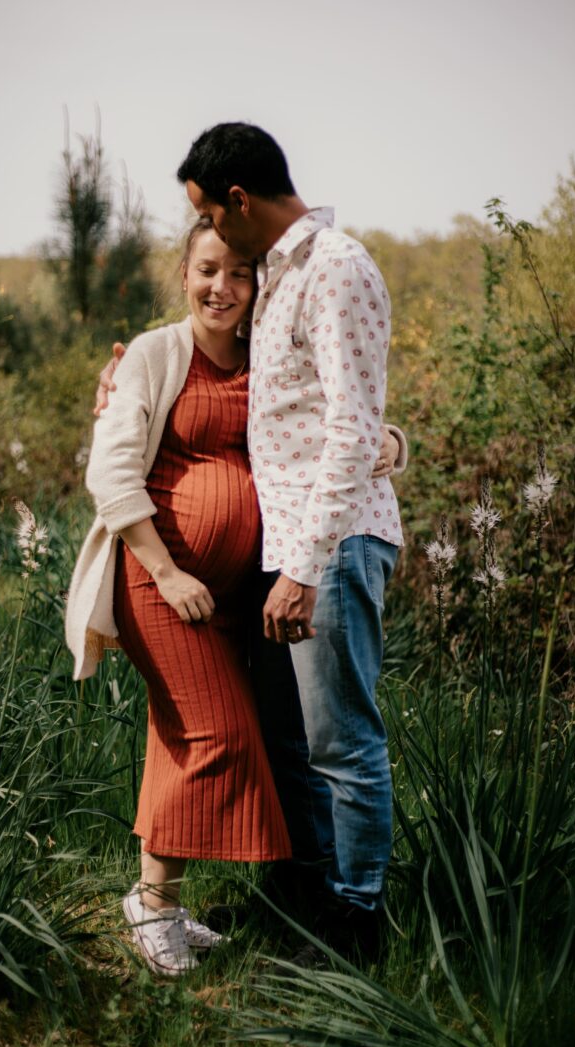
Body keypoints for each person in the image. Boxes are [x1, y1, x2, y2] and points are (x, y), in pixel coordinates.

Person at [99, 123, 406, 965]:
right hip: (286, 559)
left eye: (212, 218)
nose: (215, 244)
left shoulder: (335, 267)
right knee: (291, 744)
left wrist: (304, 568)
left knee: (342, 744)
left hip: (331, 547)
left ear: (238, 201)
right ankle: (304, 897)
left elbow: (350, 425)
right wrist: (128, 378)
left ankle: (354, 921)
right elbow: (290, 409)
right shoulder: (277, 279)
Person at [66, 219, 295, 977]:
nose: (220, 288)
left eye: (238, 273)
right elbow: (112, 473)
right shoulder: (156, 355)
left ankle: (161, 898)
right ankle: (153, 907)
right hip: (158, 581)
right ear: (184, 272)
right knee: (219, 734)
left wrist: (391, 444)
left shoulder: (268, 360)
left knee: (177, 736)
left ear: (258, 284)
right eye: (206, 270)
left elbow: (333, 423)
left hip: (228, 596)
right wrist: (166, 570)